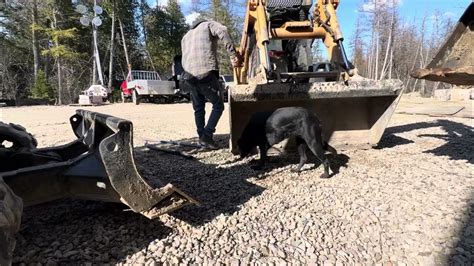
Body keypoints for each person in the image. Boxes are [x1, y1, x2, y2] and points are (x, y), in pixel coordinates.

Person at [181, 19, 241, 149]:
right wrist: (232, 55)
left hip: (189, 75)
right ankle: (207, 136)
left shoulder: (186, 36)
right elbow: (223, 30)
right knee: (218, 105)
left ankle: (202, 136)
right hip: (205, 71)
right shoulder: (208, 25)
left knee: (198, 108)